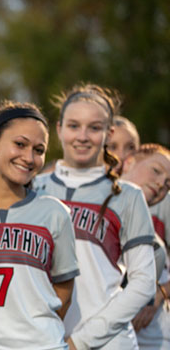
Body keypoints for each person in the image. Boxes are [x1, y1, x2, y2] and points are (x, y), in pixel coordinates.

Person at [33, 83, 157, 350]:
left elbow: (144, 283)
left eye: (95, 127)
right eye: (74, 126)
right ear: (59, 128)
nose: (83, 136)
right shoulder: (33, 189)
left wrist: (81, 340)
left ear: (108, 133)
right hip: (44, 341)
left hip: (109, 343)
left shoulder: (128, 196)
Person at [0, 101, 79, 349]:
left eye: (39, 149)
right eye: (20, 144)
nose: (29, 157)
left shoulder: (55, 212)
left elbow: (64, 288)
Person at [120, 143, 170, 349]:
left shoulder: (153, 233)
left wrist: (160, 292)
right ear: (129, 162)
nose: (160, 183)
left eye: (168, 183)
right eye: (156, 171)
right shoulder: (95, 201)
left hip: (153, 335)